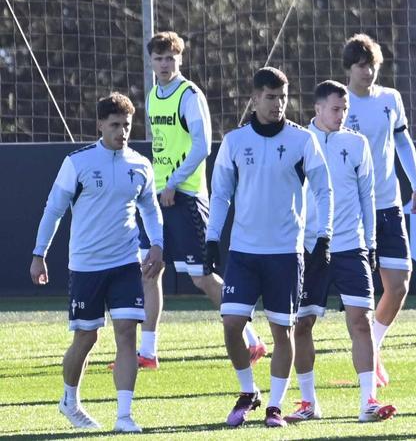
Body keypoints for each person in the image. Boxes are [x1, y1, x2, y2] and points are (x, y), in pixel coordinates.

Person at [205, 67, 334, 428]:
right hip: (244, 253)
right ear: (255, 98)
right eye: (270, 97)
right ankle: (248, 391)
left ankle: (275, 405)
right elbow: (221, 195)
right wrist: (212, 238)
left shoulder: (301, 141)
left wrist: (323, 235)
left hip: (285, 253)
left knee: (283, 332)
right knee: (231, 324)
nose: (278, 104)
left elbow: (324, 190)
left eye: (283, 96)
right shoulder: (234, 142)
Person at [128, 31, 263, 371]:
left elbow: (202, 146)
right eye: (158, 58)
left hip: (185, 196)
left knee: (201, 277)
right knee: (150, 270)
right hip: (156, 197)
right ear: (150, 61)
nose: (163, 64)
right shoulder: (153, 96)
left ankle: (252, 338)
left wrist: (174, 183)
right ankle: (148, 351)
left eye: (170, 58)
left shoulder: (189, 95)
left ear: (180, 59)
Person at [32, 93, 165, 432]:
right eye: (115, 125)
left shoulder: (141, 165)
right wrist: (39, 255)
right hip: (86, 266)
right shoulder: (78, 163)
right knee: (86, 338)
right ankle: (69, 401)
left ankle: (123, 417)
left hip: (125, 264)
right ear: (100, 126)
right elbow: (54, 210)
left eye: (127, 125)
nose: (122, 132)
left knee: (126, 336)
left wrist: (157, 246)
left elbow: (150, 208)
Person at [284, 81, 396, 424]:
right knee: (301, 325)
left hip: (351, 247)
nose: (341, 115)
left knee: (361, 322)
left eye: (345, 109)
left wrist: (371, 242)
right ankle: (308, 402)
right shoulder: (299, 141)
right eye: (335, 108)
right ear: (317, 109)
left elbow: (367, 197)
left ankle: (368, 402)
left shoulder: (357, 143)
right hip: (310, 249)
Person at [342, 34, 416, 387]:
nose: (369, 71)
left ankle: (373, 347)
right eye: (362, 65)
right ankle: (365, 356)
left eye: (373, 65)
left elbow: (403, 141)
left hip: (388, 205)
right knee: (363, 293)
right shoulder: (339, 104)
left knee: (399, 284)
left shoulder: (390, 99)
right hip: (353, 211)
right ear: (349, 68)